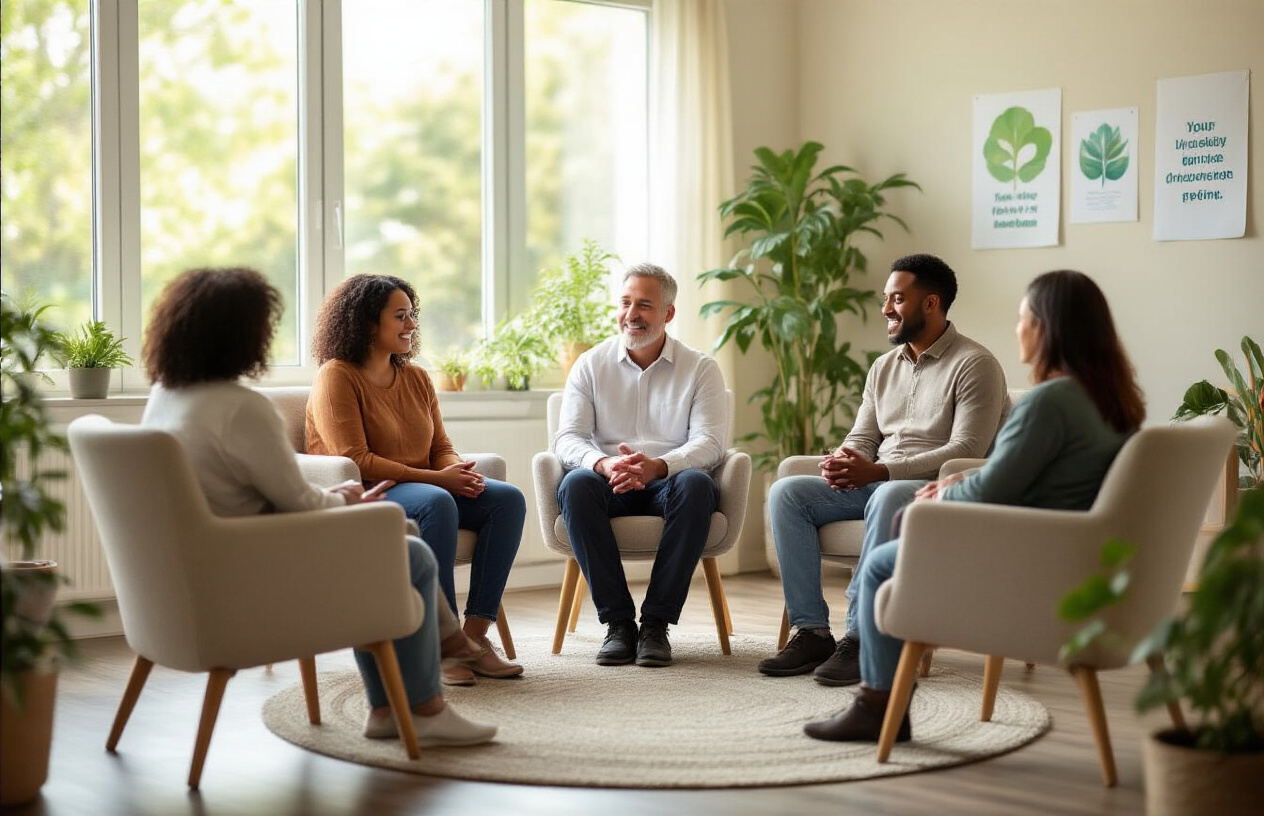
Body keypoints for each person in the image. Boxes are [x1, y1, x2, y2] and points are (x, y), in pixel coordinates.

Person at [140, 266, 495, 747]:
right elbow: (297, 498)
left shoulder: (166, 398)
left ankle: (401, 696)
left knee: (394, 531)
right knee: (400, 548)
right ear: (243, 334)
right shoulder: (243, 409)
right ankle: (434, 684)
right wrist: (345, 496)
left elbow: (274, 495)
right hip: (258, 569)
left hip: (201, 570)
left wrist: (346, 500)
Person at [804, 269, 1146, 742]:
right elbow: (1027, 472)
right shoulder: (1115, 403)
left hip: (1026, 561)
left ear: (1047, 327)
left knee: (884, 564)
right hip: (1071, 557)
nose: (1017, 329)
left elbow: (997, 491)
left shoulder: (1049, 402)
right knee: (891, 526)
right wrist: (965, 477)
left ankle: (878, 706)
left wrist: (944, 491)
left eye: (1023, 318)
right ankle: (861, 683)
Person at [759, 253, 1009, 685]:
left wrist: (881, 473)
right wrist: (844, 459)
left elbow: (968, 447)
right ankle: (812, 631)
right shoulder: (883, 367)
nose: (886, 310)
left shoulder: (976, 364)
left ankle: (862, 637)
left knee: (889, 494)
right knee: (788, 493)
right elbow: (864, 435)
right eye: (885, 299)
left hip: (937, 490)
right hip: (879, 482)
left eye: (896, 299)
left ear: (930, 304)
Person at [306, 274, 526, 686]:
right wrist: (439, 480)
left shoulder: (417, 378)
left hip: (425, 485)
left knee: (506, 499)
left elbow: (441, 444)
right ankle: (438, 644)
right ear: (368, 323)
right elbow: (355, 459)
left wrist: (455, 470)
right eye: (400, 316)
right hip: (371, 492)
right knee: (435, 501)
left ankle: (473, 638)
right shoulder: (336, 376)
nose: (412, 325)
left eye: (413, 316)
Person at [553, 262, 728, 667]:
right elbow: (568, 438)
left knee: (698, 486)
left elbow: (711, 443)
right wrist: (603, 464)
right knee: (575, 485)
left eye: (644, 305)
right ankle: (618, 624)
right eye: (626, 302)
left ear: (668, 313)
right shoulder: (590, 365)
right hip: (608, 481)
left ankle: (655, 624)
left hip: (669, 482)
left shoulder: (701, 368)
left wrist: (660, 466)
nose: (631, 314)